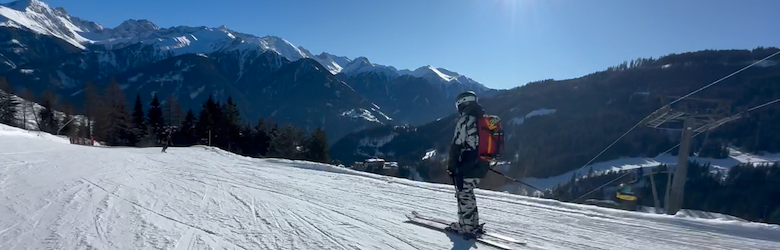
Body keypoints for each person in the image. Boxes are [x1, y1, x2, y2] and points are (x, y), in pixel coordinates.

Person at [446, 91, 490, 237]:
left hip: (468, 163)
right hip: (482, 163)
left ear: (461, 103)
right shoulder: (483, 119)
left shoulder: (466, 119)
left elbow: (456, 145)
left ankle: (466, 227)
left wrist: (451, 166)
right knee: (468, 192)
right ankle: (472, 224)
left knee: (463, 194)